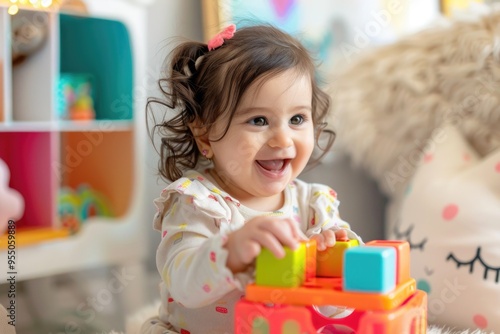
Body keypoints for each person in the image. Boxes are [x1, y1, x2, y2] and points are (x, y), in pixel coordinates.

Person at [141, 24, 362, 334]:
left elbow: (336, 309)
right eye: (258, 120)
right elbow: (182, 284)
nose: (283, 139)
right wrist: (230, 252)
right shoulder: (197, 202)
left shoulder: (314, 204)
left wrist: (336, 262)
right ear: (204, 133)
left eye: (297, 119)